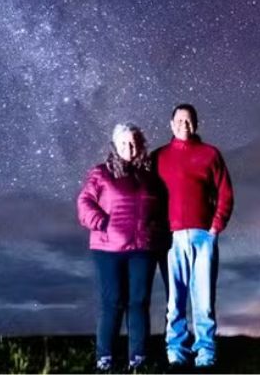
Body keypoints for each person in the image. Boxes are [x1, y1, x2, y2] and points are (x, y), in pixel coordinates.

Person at [77, 123, 168, 374]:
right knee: (112, 302)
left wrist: (156, 235)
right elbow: (85, 202)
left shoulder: (149, 175)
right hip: (108, 249)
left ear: (141, 144)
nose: (130, 147)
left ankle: (137, 358)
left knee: (139, 302)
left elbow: (161, 209)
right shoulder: (101, 173)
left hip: (142, 248)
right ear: (115, 146)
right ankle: (104, 358)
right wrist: (102, 222)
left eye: (134, 142)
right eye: (124, 143)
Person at [154, 103, 234, 371]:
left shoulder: (210, 155)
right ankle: (176, 352)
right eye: (178, 120)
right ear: (171, 124)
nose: (183, 125)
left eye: (188, 121)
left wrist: (215, 228)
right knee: (175, 300)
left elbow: (225, 192)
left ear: (196, 124)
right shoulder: (158, 157)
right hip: (171, 238)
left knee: (203, 299)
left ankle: (205, 353)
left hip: (203, 235)